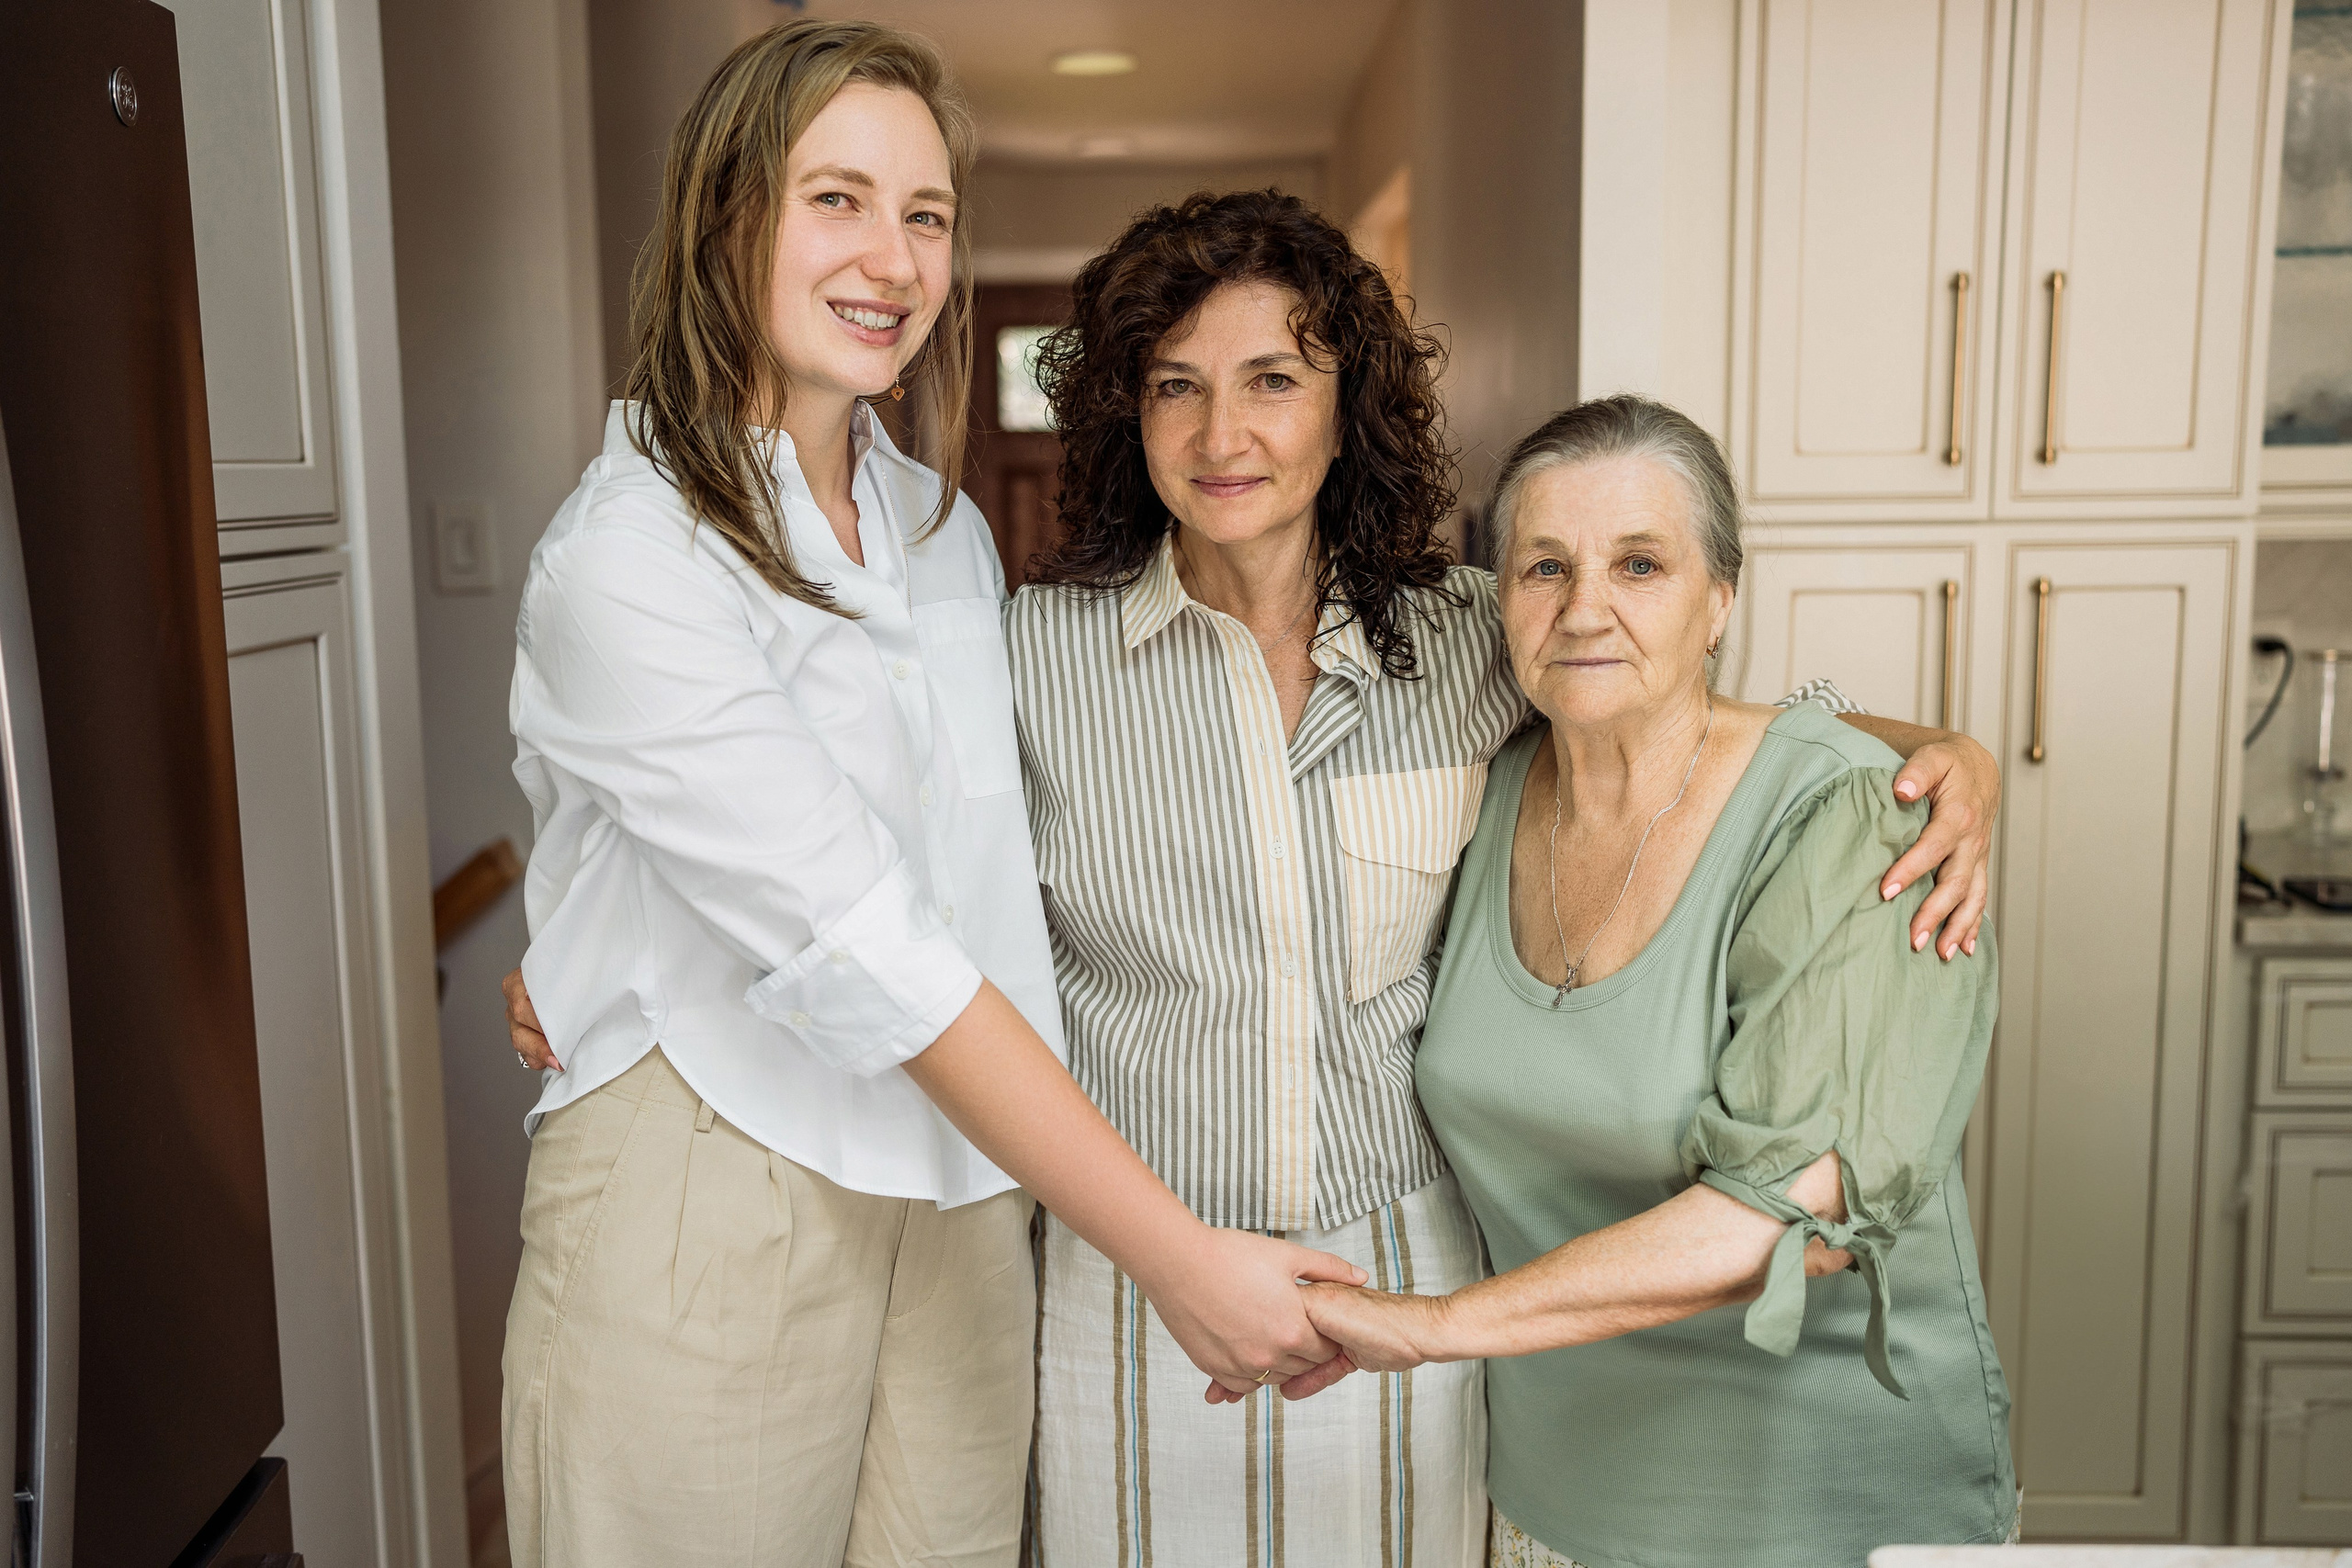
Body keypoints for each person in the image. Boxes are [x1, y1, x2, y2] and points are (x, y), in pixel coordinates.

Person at [1006, 194, 2003, 1567]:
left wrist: (1948, 753)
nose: (1222, 435)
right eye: (1174, 386)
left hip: (1413, 1262)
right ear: (1129, 412)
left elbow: (1685, 693)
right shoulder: (1024, 661)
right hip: (1138, 1264)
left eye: (1273, 381)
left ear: (1346, 405)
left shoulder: (1479, 627)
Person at [493, 28, 1363, 1568]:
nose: (892, 258)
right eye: (838, 199)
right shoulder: (627, 557)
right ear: (725, 220)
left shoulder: (940, 529)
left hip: (967, 1192)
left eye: (926, 214)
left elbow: (989, 864)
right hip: (720, 1171)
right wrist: (1176, 1254)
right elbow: (865, 939)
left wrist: (1937, 754)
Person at [1293, 395, 2018, 1568]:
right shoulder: (1490, 788)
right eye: (1544, 568)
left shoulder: (1853, 824)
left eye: (1640, 564)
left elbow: (1795, 1211)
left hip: (1817, 1510)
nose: (1586, 609)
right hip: (1551, 1498)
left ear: (1719, 597)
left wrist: (1430, 1329)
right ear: (1500, 603)